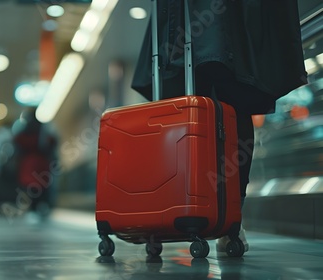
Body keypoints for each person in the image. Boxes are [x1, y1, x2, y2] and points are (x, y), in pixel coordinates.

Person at [131, 0, 307, 253]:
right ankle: (220, 214)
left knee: (221, 100)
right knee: (225, 102)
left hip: (196, 16)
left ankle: (225, 213)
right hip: (208, 15)